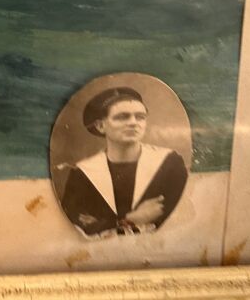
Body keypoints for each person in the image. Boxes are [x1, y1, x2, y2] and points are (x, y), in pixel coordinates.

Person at [59, 85, 188, 239]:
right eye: (122, 117)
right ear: (101, 126)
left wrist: (109, 224)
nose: (133, 123)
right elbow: (76, 224)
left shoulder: (169, 163)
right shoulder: (83, 173)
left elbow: (180, 218)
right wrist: (131, 220)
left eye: (140, 117)